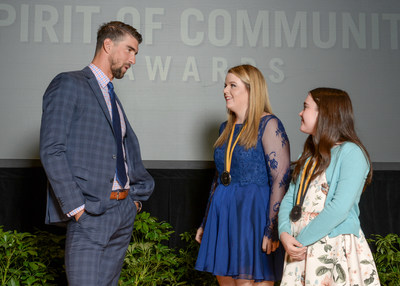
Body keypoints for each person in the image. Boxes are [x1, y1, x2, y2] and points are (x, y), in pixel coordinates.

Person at [39, 21, 154, 286]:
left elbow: (123, 152)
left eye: (135, 53)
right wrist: (77, 209)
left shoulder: (111, 96)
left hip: (122, 212)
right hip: (90, 214)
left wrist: (132, 203)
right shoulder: (69, 83)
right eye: (129, 50)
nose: (133, 59)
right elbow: (52, 149)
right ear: (108, 44)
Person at [195, 64, 291, 285]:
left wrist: (272, 228)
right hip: (224, 211)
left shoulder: (269, 124)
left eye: (232, 85)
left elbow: (280, 179)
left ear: (251, 90)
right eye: (225, 85)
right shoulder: (224, 128)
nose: (225, 90)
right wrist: (206, 221)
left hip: (252, 213)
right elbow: (219, 178)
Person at [278, 88, 380, 285]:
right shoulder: (308, 156)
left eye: (305, 107)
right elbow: (290, 199)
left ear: (325, 114)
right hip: (300, 249)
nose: (300, 113)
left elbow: (339, 209)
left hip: (333, 248)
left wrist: (301, 240)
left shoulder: (351, 153)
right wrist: (284, 234)